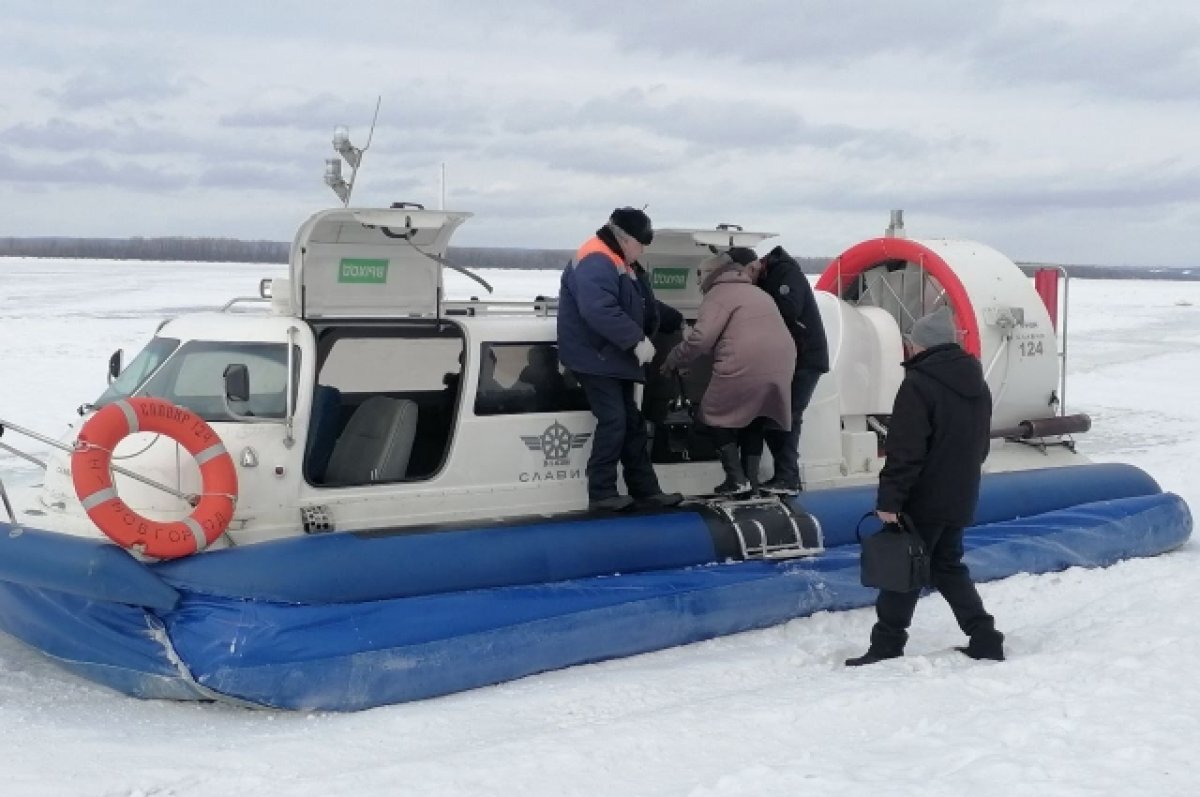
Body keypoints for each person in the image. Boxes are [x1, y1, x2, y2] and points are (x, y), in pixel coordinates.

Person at [846, 306, 1005, 666]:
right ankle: (985, 636)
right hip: (960, 495)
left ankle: (886, 645)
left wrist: (890, 500)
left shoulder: (918, 384)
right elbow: (980, 446)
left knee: (902, 571)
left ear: (918, 345)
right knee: (947, 566)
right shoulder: (977, 383)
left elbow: (905, 450)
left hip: (923, 498)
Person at [557, 207, 684, 512]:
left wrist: (674, 321)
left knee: (632, 423)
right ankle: (601, 493)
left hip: (612, 358)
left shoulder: (621, 262)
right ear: (626, 239)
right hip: (595, 357)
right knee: (614, 420)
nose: (642, 251)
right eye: (641, 245)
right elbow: (599, 309)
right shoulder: (597, 259)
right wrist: (636, 340)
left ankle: (646, 490)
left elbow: (641, 302)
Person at [662, 248, 795, 495]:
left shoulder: (718, 294)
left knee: (712, 413)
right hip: (782, 363)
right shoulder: (757, 293)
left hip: (746, 363)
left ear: (713, 273)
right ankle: (750, 480)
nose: (699, 280)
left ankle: (736, 479)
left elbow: (701, 340)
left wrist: (673, 359)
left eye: (700, 274)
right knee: (754, 416)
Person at [743, 245, 829, 494]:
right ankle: (786, 475)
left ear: (753, 267)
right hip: (791, 358)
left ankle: (788, 476)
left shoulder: (785, 275)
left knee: (788, 414)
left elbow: (789, 310)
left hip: (804, 358)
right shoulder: (772, 276)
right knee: (776, 415)